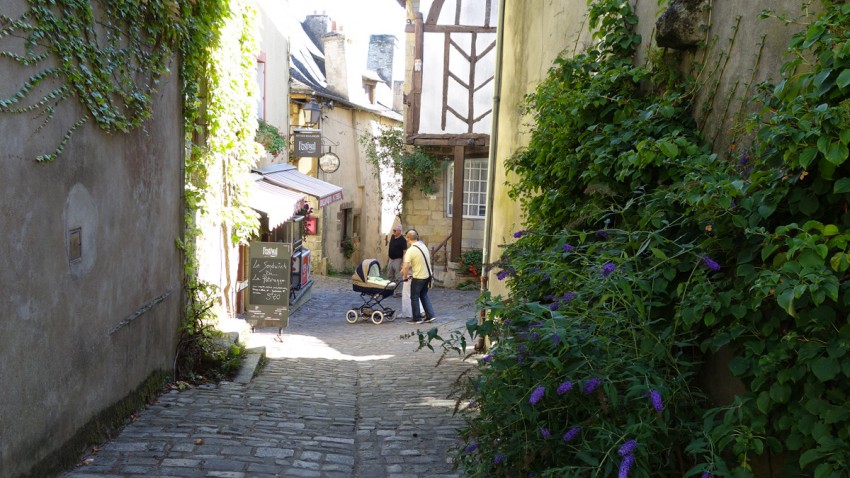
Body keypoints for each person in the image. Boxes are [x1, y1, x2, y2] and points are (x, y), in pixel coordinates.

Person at [400, 229, 437, 324]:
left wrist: (404, 276)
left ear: (408, 239)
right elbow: (418, 260)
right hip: (428, 275)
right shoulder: (423, 246)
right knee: (424, 295)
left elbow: (406, 266)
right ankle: (430, 315)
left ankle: (417, 318)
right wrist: (405, 269)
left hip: (419, 277)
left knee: (414, 297)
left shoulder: (410, 250)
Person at [386, 224, 407, 296]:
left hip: (398, 259)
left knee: (398, 276)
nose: (393, 232)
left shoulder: (403, 240)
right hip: (391, 259)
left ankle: (398, 292)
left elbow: (405, 252)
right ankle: (390, 290)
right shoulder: (392, 237)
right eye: (393, 230)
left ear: (399, 231)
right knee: (389, 275)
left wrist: (403, 263)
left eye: (395, 230)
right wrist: (388, 258)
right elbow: (390, 247)